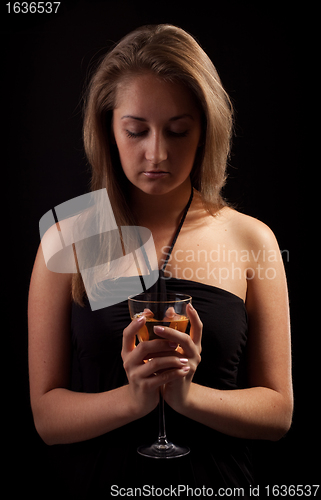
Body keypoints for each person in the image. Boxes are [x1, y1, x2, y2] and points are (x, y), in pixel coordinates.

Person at [28, 24, 293, 498]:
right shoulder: (68, 236)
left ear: (206, 130)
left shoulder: (252, 238)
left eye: (178, 131)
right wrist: (133, 400)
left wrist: (187, 396)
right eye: (136, 131)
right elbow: (47, 418)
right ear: (108, 127)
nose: (157, 153)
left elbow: (278, 414)